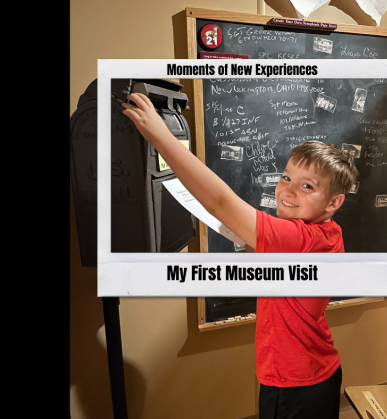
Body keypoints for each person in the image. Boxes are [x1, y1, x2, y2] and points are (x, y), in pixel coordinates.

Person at [122, 92, 359, 419]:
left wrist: (161, 137)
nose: (288, 190)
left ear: (334, 202)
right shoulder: (327, 233)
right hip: (319, 370)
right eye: (286, 177)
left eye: (308, 187)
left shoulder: (298, 237)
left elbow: (221, 201)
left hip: (293, 384)